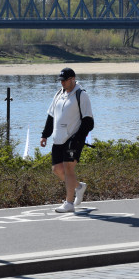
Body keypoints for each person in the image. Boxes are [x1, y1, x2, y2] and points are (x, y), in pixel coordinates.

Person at [40, 67, 94, 213]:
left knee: (68, 167)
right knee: (57, 170)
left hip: (73, 139)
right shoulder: (58, 94)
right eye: (61, 80)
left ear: (72, 79)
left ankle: (69, 203)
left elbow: (89, 122)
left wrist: (77, 138)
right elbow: (51, 116)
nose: (62, 83)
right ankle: (79, 187)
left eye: (64, 80)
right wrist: (44, 135)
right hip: (58, 138)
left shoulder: (81, 95)